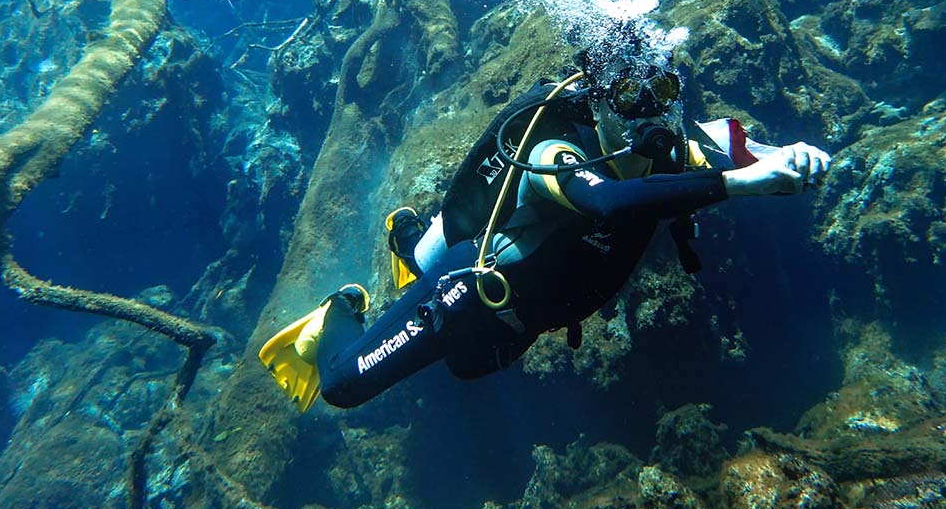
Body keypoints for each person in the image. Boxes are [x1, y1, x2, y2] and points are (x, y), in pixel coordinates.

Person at [259, 39, 831, 412]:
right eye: (634, 95)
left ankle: (409, 238)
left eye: (665, 90)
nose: (654, 111)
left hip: (524, 318)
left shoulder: (680, 147)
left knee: (467, 369)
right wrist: (740, 185)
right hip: (471, 292)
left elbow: (744, 145)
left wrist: (791, 154)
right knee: (342, 384)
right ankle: (342, 304)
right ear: (599, 102)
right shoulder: (556, 154)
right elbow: (607, 202)